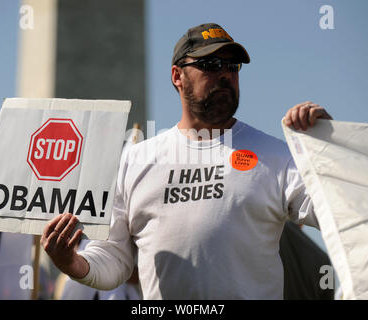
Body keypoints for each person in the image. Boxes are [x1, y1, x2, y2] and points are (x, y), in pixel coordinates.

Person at [41, 23, 333, 299]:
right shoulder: (136, 159)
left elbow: (336, 213)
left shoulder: (275, 156)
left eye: (232, 66)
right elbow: (114, 258)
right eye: (210, 65)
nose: (225, 74)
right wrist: (74, 264)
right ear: (177, 76)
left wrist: (329, 147)